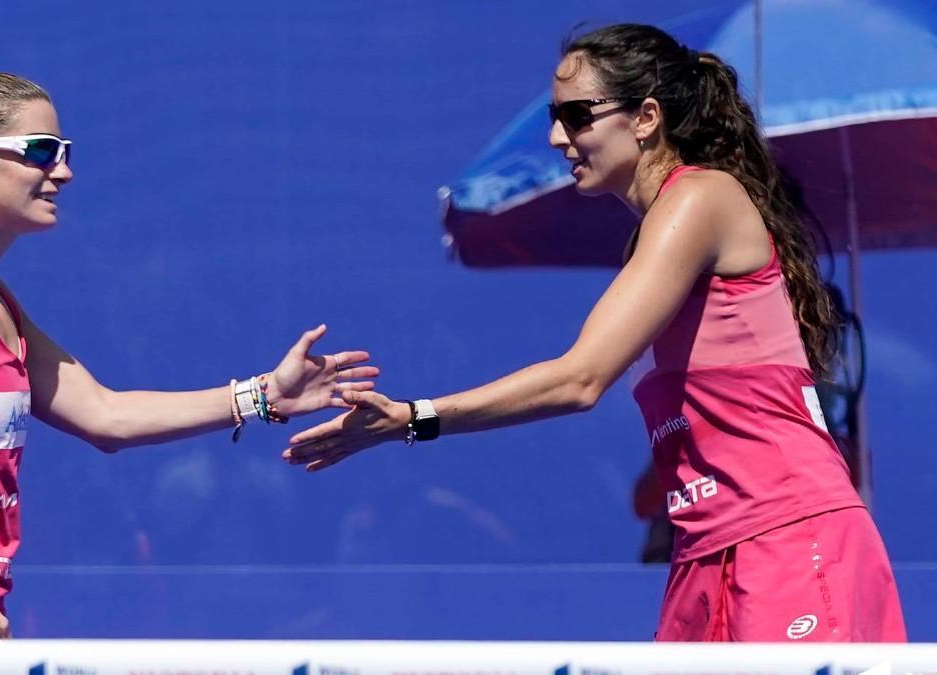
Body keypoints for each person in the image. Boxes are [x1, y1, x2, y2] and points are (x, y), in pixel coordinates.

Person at [283, 24, 906, 642]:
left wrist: (411, 418)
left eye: (577, 115)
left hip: (789, 539)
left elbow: (581, 378)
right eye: (555, 118)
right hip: (704, 552)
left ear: (646, 118)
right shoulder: (655, 231)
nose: (557, 137)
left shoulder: (700, 198)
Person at [0, 72, 378, 639]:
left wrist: (262, 396)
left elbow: (106, 415)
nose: (63, 171)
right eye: (40, 151)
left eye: (65, 151)